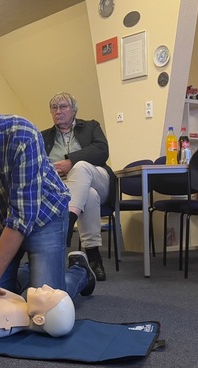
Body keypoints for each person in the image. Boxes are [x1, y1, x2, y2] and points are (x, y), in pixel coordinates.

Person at [0, 99, 95, 302]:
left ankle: (80, 272)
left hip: (44, 219)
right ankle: (30, 270)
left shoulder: (22, 135)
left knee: (44, 306)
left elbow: (21, 216)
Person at [41, 92, 116, 281]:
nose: (58, 111)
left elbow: (102, 151)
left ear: (74, 110)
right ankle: (94, 258)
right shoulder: (43, 136)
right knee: (88, 195)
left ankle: (68, 222)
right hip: (64, 186)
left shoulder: (91, 126)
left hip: (98, 178)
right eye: (54, 108)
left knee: (81, 167)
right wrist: (51, 171)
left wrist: (71, 161)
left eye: (63, 107)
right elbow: (37, 164)